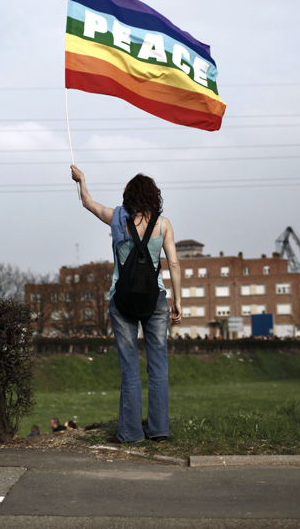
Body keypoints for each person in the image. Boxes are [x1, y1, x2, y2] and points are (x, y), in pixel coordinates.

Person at [71, 164, 182, 443]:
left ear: (128, 196)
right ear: (154, 197)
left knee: (129, 368)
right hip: (155, 300)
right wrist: (178, 299)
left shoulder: (116, 218)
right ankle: (158, 430)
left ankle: (131, 433)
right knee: (158, 365)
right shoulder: (163, 224)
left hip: (121, 302)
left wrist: (81, 180)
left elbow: (88, 203)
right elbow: (175, 263)